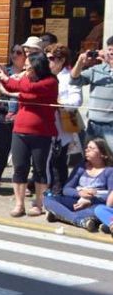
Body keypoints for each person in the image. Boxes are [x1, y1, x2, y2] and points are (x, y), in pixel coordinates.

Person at [0, 52, 58, 217]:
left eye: (28, 66)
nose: (25, 68)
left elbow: (27, 88)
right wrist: (8, 80)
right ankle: (19, 204)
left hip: (42, 132)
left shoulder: (51, 81)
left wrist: (10, 82)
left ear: (37, 66)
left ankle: (39, 203)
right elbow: (13, 88)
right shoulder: (25, 78)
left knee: (39, 169)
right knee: (19, 167)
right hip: (20, 130)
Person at [44, 138, 113, 232]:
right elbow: (66, 189)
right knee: (48, 199)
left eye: (92, 148)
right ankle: (79, 221)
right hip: (76, 202)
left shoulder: (109, 171)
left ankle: (61, 215)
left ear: (103, 154)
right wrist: (80, 193)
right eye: (87, 147)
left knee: (98, 211)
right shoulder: (81, 167)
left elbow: (110, 196)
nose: (87, 150)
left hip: (95, 205)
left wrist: (90, 199)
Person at [0, 44, 25, 192]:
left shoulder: (28, 72)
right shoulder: (6, 69)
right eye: (12, 52)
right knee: (1, 150)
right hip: (3, 115)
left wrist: (6, 78)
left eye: (18, 52)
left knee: (21, 154)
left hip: (22, 115)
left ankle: (22, 185)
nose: (14, 55)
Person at [46, 44, 83, 194]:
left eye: (51, 58)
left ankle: (57, 192)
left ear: (61, 60)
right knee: (44, 162)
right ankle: (45, 190)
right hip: (44, 125)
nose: (47, 61)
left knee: (58, 162)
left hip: (61, 126)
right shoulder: (43, 75)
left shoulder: (69, 77)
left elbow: (77, 100)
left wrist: (60, 103)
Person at [70, 37, 113, 152]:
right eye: (109, 49)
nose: (111, 52)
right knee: (90, 158)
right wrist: (80, 62)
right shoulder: (96, 69)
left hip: (111, 126)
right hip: (93, 125)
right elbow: (74, 80)